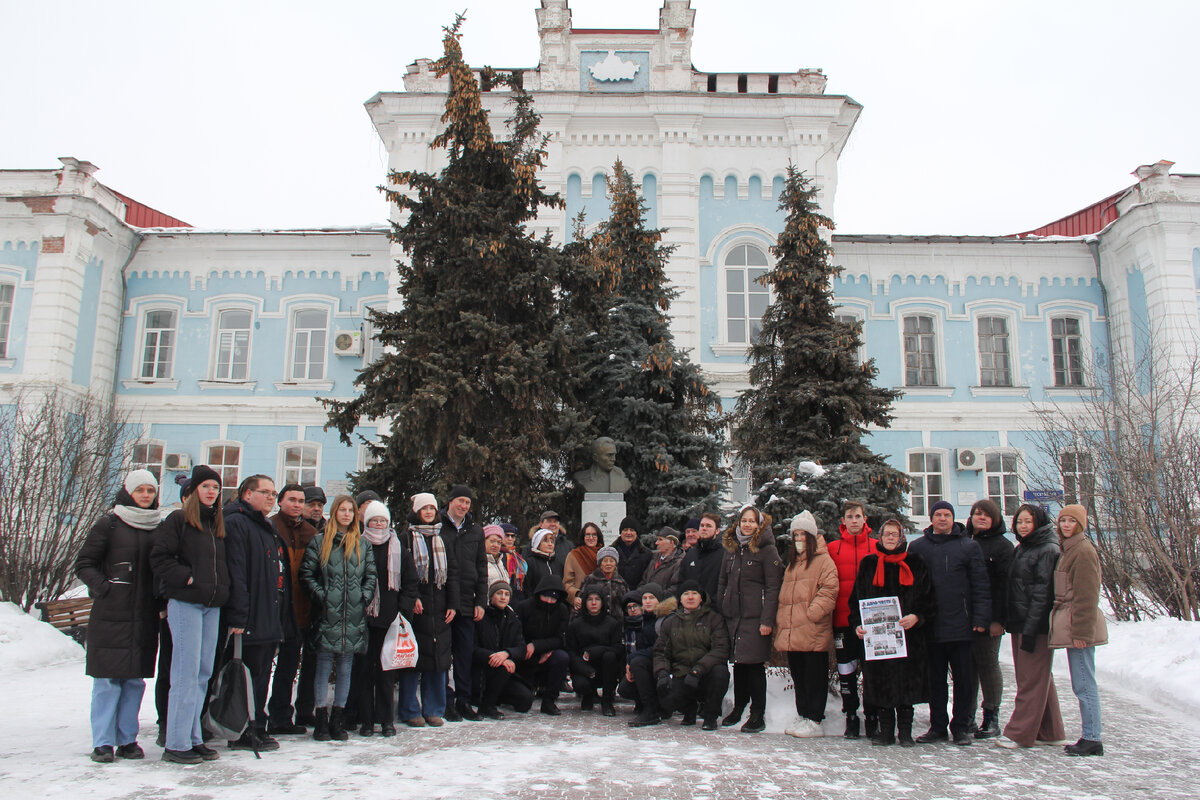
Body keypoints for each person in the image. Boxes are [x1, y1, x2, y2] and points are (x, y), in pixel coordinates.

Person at [75, 469, 162, 763]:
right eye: (141, 491)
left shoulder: (158, 525)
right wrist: (104, 588)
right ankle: (102, 742)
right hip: (111, 614)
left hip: (144, 614)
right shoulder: (110, 523)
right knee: (107, 680)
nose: (146, 496)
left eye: (151, 491)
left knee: (134, 680)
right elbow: (85, 563)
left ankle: (127, 739)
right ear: (129, 492)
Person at [149, 464, 230, 765]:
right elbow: (159, 557)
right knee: (185, 672)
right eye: (206, 486)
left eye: (216, 488)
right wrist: (188, 578)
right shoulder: (178, 519)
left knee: (203, 673)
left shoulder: (216, 525)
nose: (211, 491)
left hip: (212, 606)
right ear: (195, 490)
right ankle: (176, 743)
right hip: (186, 603)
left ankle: (193, 737)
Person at [908, 500, 990, 746]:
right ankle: (938, 726)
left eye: (947, 515)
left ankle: (962, 727)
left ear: (953, 519)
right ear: (931, 519)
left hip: (962, 626)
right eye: (938, 515)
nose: (942, 519)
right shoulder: (917, 547)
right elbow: (910, 587)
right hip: (931, 626)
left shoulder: (969, 547)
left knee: (964, 680)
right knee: (935, 681)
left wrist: (980, 618)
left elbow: (981, 585)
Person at [850, 518, 936, 747]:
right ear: (880, 537)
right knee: (881, 685)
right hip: (878, 639)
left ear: (901, 537)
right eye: (886, 534)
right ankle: (886, 732)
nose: (890, 538)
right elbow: (857, 600)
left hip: (909, 637)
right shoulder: (869, 564)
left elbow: (929, 599)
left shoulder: (915, 563)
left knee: (906, 685)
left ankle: (905, 733)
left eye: (894, 534)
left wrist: (917, 617)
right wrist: (858, 624)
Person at [299, 494, 377, 742]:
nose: (346, 514)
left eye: (350, 511)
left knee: (345, 667)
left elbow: (371, 575)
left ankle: (338, 718)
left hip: (353, 614)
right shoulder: (320, 541)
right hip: (327, 613)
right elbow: (307, 574)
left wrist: (363, 597)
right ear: (334, 513)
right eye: (342, 510)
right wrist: (323, 596)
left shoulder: (362, 544)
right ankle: (320, 717)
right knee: (323, 665)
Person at [221, 474, 285, 752]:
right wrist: (238, 616)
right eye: (266, 493)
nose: (272, 498)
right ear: (247, 494)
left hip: (267, 615)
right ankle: (242, 729)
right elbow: (237, 573)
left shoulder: (265, 526)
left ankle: (257, 725)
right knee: (245, 676)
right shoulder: (237, 523)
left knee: (260, 674)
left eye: (273, 493)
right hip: (248, 618)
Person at [997, 503, 1066, 749]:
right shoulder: (1026, 547)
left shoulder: (1047, 549)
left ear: (1039, 522)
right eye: (1019, 522)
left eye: (1028, 521)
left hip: (1034, 625)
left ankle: (1019, 733)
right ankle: (1051, 731)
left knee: (1029, 679)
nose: (1023, 526)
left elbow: (1042, 594)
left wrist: (1031, 627)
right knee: (1038, 676)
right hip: (1022, 621)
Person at [717, 505, 783, 733]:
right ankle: (739, 706)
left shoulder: (768, 551)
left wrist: (767, 620)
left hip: (755, 618)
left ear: (759, 525)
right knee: (739, 664)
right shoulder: (732, 549)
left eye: (752, 521)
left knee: (754, 665)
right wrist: (722, 606)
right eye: (744, 520)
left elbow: (773, 588)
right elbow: (722, 582)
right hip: (733, 616)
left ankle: (757, 713)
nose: (747, 525)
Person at [353, 501, 417, 737]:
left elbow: (411, 584)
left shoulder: (399, 548)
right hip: (363, 619)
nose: (379, 524)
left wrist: (403, 610)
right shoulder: (358, 546)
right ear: (367, 522)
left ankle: (386, 721)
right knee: (364, 673)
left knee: (386, 673)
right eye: (374, 521)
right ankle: (367, 721)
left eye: (382, 520)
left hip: (390, 619)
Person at [773, 511, 839, 739]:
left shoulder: (823, 560)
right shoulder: (793, 564)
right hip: (794, 632)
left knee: (814, 677)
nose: (799, 539)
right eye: (796, 535)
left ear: (811, 536)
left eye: (803, 534)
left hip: (812, 630)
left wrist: (811, 614)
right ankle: (803, 715)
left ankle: (815, 718)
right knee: (799, 677)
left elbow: (829, 591)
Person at [396, 492, 459, 727]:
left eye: (433, 508)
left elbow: (452, 573)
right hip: (417, 607)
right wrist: (412, 598)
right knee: (413, 659)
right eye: (425, 509)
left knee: (439, 659)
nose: (429, 513)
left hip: (441, 606)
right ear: (417, 512)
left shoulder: (442, 538)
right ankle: (410, 709)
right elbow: (403, 572)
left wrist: (453, 603)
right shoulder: (406, 538)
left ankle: (434, 709)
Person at [1050, 504, 1107, 757]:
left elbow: (1087, 596)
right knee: (1081, 683)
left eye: (1071, 521)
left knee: (1084, 684)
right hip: (1075, 625)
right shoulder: (1069, 549)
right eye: (1063, 521)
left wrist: (1082, 634)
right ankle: (1090, 735)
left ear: (1080, 525)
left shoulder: (1082, 551)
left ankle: (1092, 738)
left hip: (1080, 629)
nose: (1065, 525)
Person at [266, 483, 318, 734]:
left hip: (300, 610)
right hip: (272, 610)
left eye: (301, 501)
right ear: (280, 501)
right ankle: (256, 717)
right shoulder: (270, 527)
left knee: (288, 667)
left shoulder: (310, 533)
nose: (297, 504)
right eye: (292, 499)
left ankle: (281, 716)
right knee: (264, 668)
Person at [826, 499, 878, 739]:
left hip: (871, 623)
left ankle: (873, 715)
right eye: (850, 517)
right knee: (846, 670)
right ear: (843, 521)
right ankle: (851, 716)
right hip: (843, 621)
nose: (854, 521)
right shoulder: (833, 548)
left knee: (872, 671)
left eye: (858, 516)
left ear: (864, 519)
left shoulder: (877, 547)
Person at [965, 498, 1014, 739]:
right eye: (977, 513)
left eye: (986, 514)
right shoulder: (964, 541)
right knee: (968, 668)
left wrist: (998, 620)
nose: (981, 518)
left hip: (990, 618)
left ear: (995, 519)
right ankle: (968, 717)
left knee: (988, 665)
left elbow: (1004, 587)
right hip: (965, 617)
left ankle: (991, 717)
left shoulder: (1003, 547)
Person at [653, 580, 730, 731]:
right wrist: (662, 672)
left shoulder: (714, 619)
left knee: (721, 673)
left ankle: (710, 716)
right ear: (680, 599)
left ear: (701, 598)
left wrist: (698, 670)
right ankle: (688, 710)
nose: (690, 597)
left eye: (694, 594)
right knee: (666, 696)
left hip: (706, 672)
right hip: (681, 672)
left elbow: (721, 649)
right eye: (686, 594)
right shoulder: (671, 622)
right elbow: (660, 652)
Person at [440, 484, 487, 723]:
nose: (463, 506)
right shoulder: (438, 526)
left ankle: (464, 701)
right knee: (442, 654)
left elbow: (481, 566)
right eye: (460, 501)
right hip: (443, 602)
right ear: (450, 501)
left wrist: (481, 601)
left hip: (468, 601)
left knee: (464, 655)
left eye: (467, 503)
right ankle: (445, 701)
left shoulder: (476, 530)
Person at [472, 581, 532, 718]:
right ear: (491, 597)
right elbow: (472, 649)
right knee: (503, 668)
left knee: (525, 700)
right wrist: (495, 657)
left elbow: (521, 647)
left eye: (506, 594)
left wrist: (507, 654)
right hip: (482, 671)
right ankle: (487, 706)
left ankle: (497, 697)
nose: (503, 597)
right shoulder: (480, 618)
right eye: (499, 593)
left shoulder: (513, 619)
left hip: (505, 672)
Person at [514, 575, 571, 715]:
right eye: (546, 597)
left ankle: (549, 701)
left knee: (562, 657)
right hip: (525, 656)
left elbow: (560, 639)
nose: (550, 601)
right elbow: (516, 635)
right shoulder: (524, 607)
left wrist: (537, 646)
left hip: (547, 653)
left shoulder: (562, 610)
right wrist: (531, 652)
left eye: (554, 598)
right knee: (523, 704)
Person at [624, 583, 676, 727]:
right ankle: (653, 704)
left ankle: (651, 709)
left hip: (667, 665)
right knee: (624, 688)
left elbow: (661, 647)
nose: (647, 601)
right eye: (644, 598)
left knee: (638, 662)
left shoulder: (667, 619)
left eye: (651, 598)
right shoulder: (645, 618)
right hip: (652, 663)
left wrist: (631, 659)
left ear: (659, 600)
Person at [567, 589, 624, 715]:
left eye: (597, 599)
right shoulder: (575, 625)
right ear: (584, 602)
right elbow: (571, 652)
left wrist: (598, 650)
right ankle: (588, 696)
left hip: (606, 668)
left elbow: (618, 648)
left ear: (602, 602)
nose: (593, 603)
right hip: (584, 668)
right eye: (590, 599)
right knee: (581, 684)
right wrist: (584, 669)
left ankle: (607, 701)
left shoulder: (612, 623)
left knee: (610, 656)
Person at [679, 512, 723, 600]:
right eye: (702, 525)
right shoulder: (690, 555)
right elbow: (681, 582)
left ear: (717, 531)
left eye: (708, 526)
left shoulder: (724, 554)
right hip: (692, 608)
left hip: (714, 609)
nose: (704, 528)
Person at [577, 545, 629, 617]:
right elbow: (580, 603)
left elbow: (626, 605)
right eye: (605, 561)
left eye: (611, 561)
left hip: (617, 624)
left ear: (615, 564)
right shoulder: (590, 580)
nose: (608, 564)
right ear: (600, 564)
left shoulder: (621, 582)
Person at [562, 522, 603, 607]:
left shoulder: (604, 555)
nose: (591, 538)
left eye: (594, 535)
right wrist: (576, 596)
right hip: (581, 603)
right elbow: (567, 583)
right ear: (583, 537)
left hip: (601, 603)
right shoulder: (574, 555)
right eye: (587, 535)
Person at [641, 527, 684, 595]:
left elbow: (675, 587)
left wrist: (658, 597)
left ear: (671, 543)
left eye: (660, 540)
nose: (656, 543)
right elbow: (644, 581)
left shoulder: (679, 563)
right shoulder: (654, 559)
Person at [613, 516, 652, 589]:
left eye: (632, 530)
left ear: (636, 533)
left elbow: (647, 577)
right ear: (620, 532)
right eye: (625, 530)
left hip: (637, 595)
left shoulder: (646, 554)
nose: (628, 533)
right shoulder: (611, 552)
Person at [524, 528, 561, 598]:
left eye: (552, 541)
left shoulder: (558, 563)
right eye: (546, 541)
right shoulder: (531, 562)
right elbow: (527, 588)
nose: (550, 544)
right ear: (538, 544)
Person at [499, 523, 528, 600]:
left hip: (517, 595)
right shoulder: (497, 555)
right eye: (507, 535)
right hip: (501, 594)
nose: (510, 539)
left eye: (513, 536)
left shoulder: (517, 557)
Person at [483, 525, 509, 590]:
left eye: (499, 543)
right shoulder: (477, 562)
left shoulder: (501, 562)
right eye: (492, 541)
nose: (496, 545)